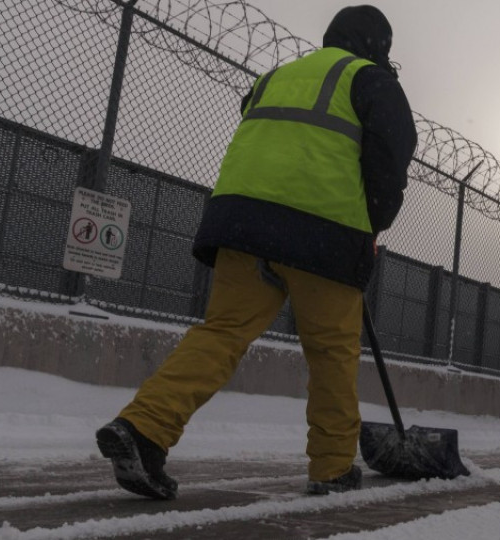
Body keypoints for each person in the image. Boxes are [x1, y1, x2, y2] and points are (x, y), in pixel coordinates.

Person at [95, 5, 417, 500]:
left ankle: (144, 428)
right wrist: (372, 226)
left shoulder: (276, 76)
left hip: (241, 223)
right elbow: (389, 162)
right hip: (324, 233)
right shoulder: (372, 81)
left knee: (221, 333)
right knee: (331, 353)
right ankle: (332, 471)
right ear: (379, 48)